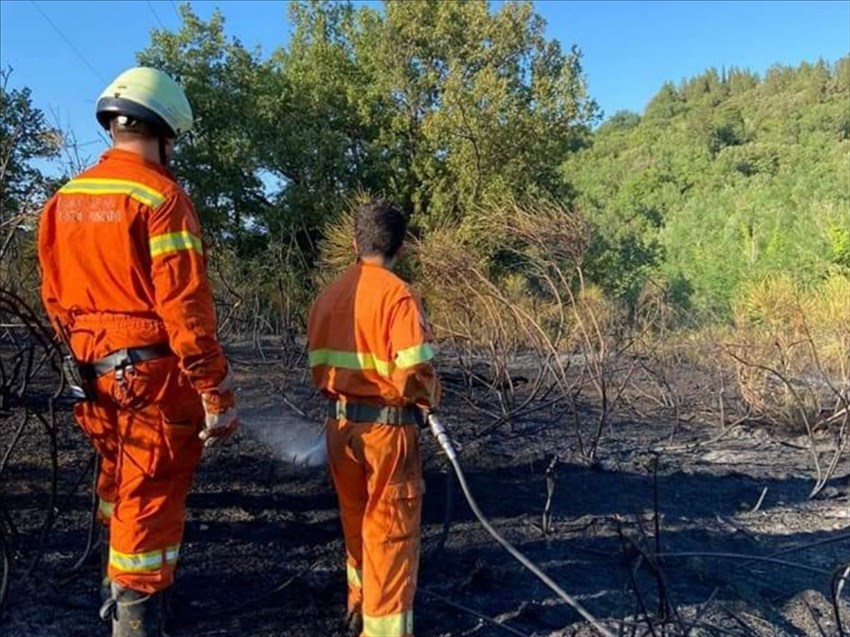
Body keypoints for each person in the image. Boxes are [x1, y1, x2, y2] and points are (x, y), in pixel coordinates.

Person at [37, 66, 239, 637]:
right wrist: (214, 388)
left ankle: (114, 597)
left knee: (118, 486)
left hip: (92, 377)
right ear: (164, 131)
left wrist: (89, 354)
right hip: (153, 382)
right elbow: (185, 309)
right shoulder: (161, 198)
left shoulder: (63, 200)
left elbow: (54, 296)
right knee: (148, 498)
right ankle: (135, 623)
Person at [307, 199, 441, 637]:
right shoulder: (398, 295)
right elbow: (413, 374)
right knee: (390, 533)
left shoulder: (328, 296)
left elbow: (317, 369)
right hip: (388, 432)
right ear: (400, 248)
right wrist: (428, 398)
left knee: (356, 522)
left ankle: (359, 605)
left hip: (340, 429)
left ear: (353, 244)